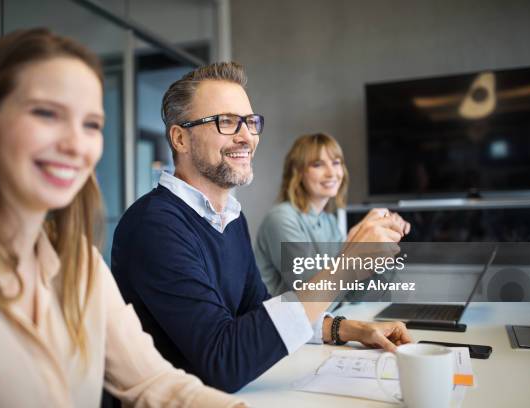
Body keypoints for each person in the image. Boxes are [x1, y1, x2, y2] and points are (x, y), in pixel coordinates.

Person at [0, 29, 244, 408]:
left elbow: (153, 381)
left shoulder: (79, 263)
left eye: (91, 124)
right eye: (46, 113)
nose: (75, 144)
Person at [111, 62, 413, 393]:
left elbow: (260, 313)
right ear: (180, 138)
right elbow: (224, 361)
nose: (247, 137)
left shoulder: (230, 217)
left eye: (250, 122)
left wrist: (350, 329)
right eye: (226, 122)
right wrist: (344, 268)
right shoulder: (153, 226)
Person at [255, 133, 410, 296]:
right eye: (318, 164)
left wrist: (382, 244)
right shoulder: (280, 219)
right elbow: (314, 296)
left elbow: (354, 293)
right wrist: (356, 240)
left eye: (336, 163)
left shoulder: (329, 221)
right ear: (298, 172)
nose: (331, 173)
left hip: (325, 318)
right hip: (285, 320)